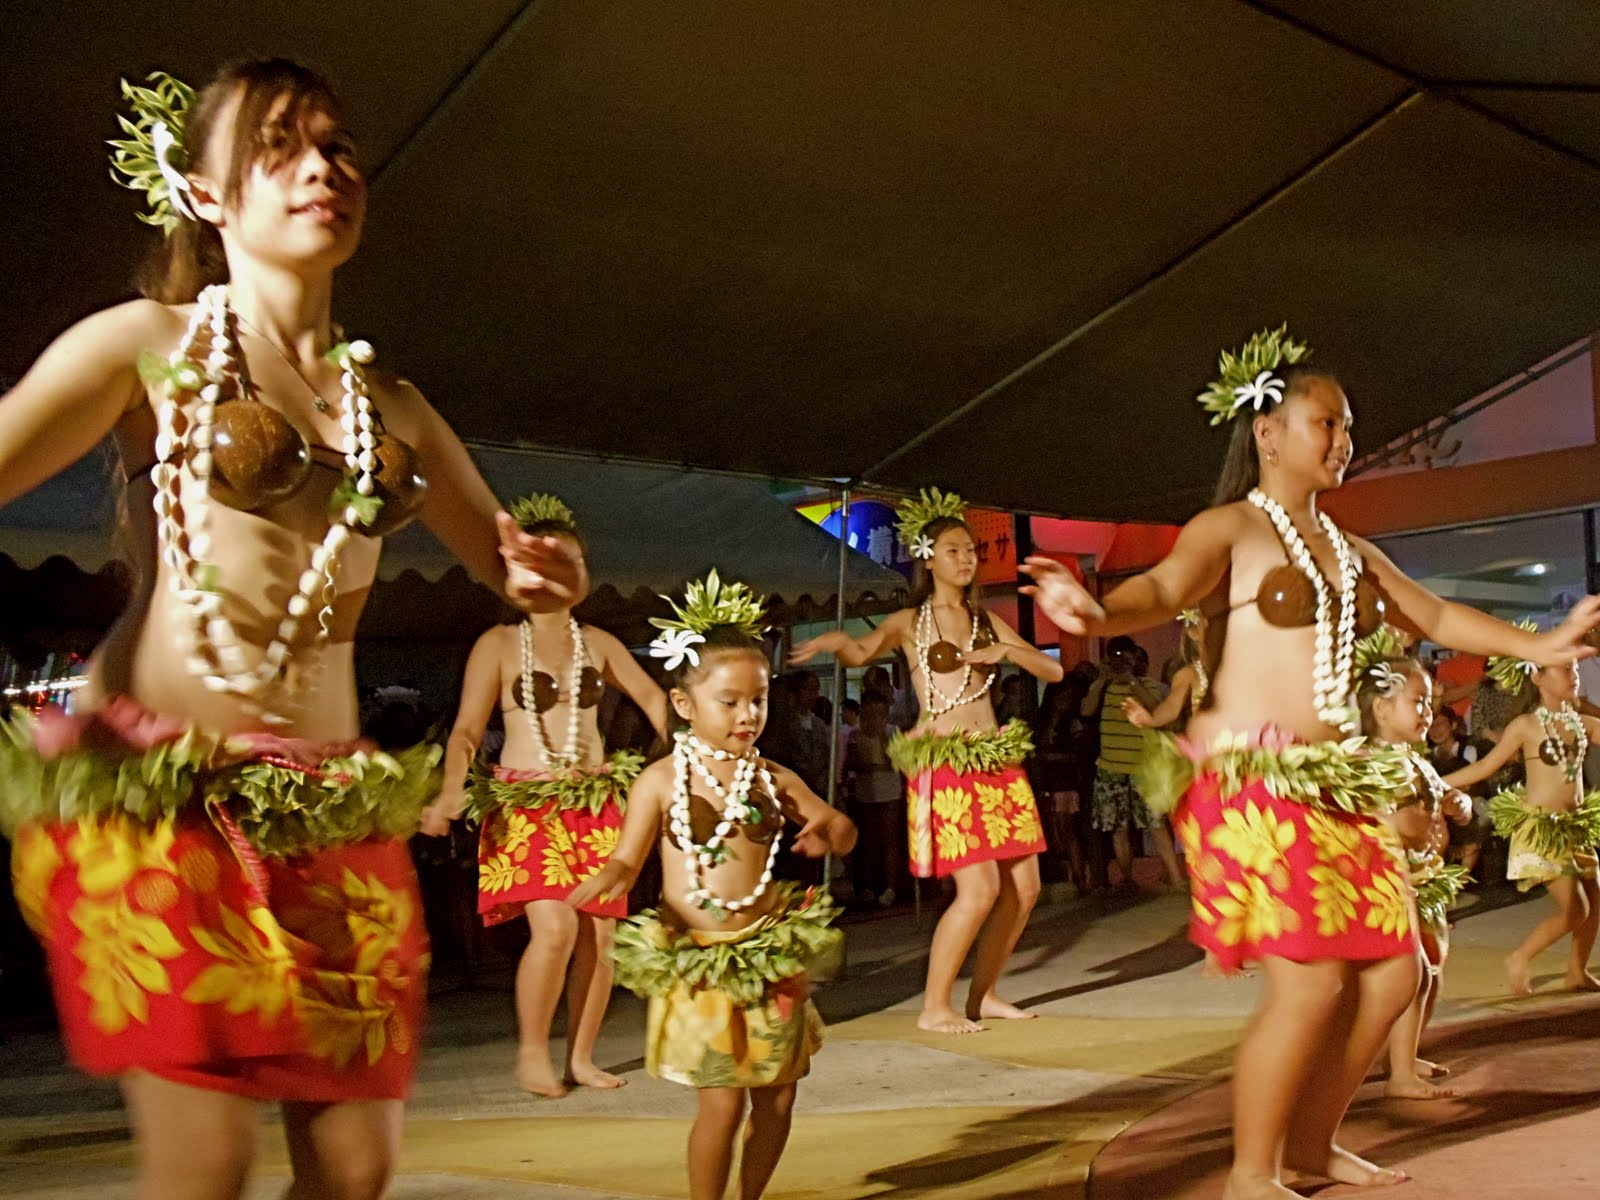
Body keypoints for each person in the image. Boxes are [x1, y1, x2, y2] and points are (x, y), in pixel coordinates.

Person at [0, 61, 582, 1200]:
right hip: (162, 805)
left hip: (331, 808)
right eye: (279, 147)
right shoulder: (145, 346)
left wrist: (544, 570)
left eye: (340, 146)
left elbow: (509, 564)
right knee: (205, 1165)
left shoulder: (391, 405)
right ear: (208, 196)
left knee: (356, 1168)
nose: (324, 167)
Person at [1021, 326, 1598, 1198]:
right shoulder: (1231, 530)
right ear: (1268, 431)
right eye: (1327, 422)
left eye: (1349, 427)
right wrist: (1093, 612)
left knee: (1396, 968)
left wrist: (1541, 637)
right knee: (1311, 981)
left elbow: (1436, 617)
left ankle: (1312, 1145)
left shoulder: (1349, 552)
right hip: (1252, 789)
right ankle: (1250, 1171)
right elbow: (1164, 589)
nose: (1344, 441)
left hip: (1338, 791)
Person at [566, 572, 855, 1200]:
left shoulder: (774, 777)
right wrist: (607, 877)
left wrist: (832, 827)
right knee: (721, 1108)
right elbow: (627, 858)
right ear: (683, 704)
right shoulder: (662, 780)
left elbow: (840, 828)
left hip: (769, 956)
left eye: (759, 699)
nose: (748, 714)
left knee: (777, 1101)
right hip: (700, 965)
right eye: (730, 701)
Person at [419, 495, 671, 1096]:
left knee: (601, 937)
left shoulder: (601, 645)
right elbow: (466, 730)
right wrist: (453, 786)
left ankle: (581, 1057)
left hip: (592, 802)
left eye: (570, 562)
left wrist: (680, 756)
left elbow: (659, 702)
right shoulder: (499, 646)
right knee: (555, 929)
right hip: (526, 804)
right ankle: (533, 1051)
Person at [792, 488, 1063, 1033]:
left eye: (970, 551)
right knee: (979, 888)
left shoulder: (987, 621)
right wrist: (837, 643)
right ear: (927, 557)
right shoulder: (908, 622)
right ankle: (934, 1006)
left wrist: (1008, 651)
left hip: (997, 764)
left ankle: (982, 995)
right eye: (954, 550)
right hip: (947, 764)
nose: (966, 559)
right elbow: (862, 654)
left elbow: (1052, 672)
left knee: (1026, 889)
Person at [1349, 631, 1471, 1100]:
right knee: (1412, 972)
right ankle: (1398, 1074)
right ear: (1381, 709)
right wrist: (1389, 821)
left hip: (1424, 879)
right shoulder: (1362, 759)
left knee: (1432, 967)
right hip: (1386, 882)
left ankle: (1407, 1051)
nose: (1428, 712)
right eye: (1418, 702)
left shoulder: (1414, 760)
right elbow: (1350, 815)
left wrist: (1456, 802)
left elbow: (1441, 793)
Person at [1447, 644, 1600, 994]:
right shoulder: (1527, 725)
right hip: (1542, 828)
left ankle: (1576, 972)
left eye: (1575, 669)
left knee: (1595, 900)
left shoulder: (1583, 724)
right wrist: (1436, 782)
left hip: (1576, 826)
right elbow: (1485, 766)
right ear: (1538, 677)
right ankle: (1519, 956)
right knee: (1575, 908)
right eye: (1565, 669)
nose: (1574, 675)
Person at [1089, 635, 1184, 891]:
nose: (1119, 662)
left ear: (1135, 658)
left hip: (1141, 768)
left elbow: (1157, 710)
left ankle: (1176, 878)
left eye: (1124, 657)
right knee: (1117, 827)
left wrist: (1131, 679)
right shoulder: (1104, 686)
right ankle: (1127, 879)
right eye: (1114, 658)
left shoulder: (1147, 685)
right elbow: (1086, 710)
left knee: (1155, 824)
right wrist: (1101, 680)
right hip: (1110, 766)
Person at [845, 695, 906, 906]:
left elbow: (897, 761)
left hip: (889, 792)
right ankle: (868, 887)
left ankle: (890, 888)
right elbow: (851, 763)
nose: (874, 719)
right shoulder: (855, 734)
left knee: (889, 841)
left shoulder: (893, 732)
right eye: (869, 714)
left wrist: (881, 738)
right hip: (866, 793)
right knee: (868, 842)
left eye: (879, 714)